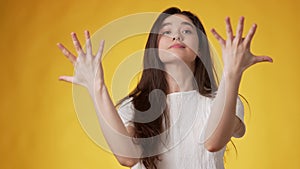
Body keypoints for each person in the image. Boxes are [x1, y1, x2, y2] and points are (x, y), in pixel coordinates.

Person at [57, 7, 272, 169]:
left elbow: (213, 142)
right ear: (155, 48)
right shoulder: (135, 107)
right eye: (166, 32)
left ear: (200, 48)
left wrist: (231, 74)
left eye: (187, 31)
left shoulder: (225, 99)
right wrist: (97, 87)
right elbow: (127, 157)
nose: (177, 36)